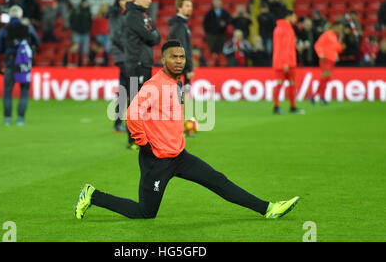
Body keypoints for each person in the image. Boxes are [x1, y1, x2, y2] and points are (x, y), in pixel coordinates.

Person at [74, 40, 300, 221]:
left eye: (182, 56)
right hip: (157, 161)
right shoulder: (154, 86)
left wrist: (184, 125)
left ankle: (269, 209)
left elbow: (165, 116)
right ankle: (92, 195)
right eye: (174, 56)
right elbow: (132, 114)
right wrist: (144, 143)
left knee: (219, 181)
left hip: (179, 155)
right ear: (163, 60)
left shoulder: (177, 84)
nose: (179, 61)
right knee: (145, 213)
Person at [123, 0, 161, 149]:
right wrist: (151, 34)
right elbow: (149, 36)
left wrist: (152, 34)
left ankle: (142, 136)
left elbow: (157, 36)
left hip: (145, 63)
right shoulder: (132, 15)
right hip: (136, 63)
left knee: (144, 101)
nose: (149, 0)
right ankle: (132, 139)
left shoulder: (144, 14)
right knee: (134, 101)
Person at [0, 5, 40, 126]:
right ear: (21, 16)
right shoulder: (28, 28)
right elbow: (37, 41)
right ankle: (20, 118)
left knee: (8, 91)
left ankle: (7, 119)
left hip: (10, 63)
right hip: (24, 63)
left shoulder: (4, 30)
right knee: (24, 91)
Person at [109, 0, 133, 133]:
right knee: (133, 88)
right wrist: (131, 48)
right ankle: (132, 123)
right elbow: (116, 36)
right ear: (121, 1)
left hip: (126, 55)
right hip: (122, 55)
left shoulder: (126, 15)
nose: (130, 1)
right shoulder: (115, 15)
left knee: (124, 89)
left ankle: (118, 123)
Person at [272, 10, 304, 115]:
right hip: (287, 63)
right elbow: (285, 47)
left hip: (278, 61)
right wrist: (285, 62)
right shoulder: (287, 29)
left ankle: (277, 107)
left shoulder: (277, 28)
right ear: (288, 17)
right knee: (290, 84)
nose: (295, 19)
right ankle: (291, 107)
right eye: (294, 17)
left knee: (281, 84)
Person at [310, 21, 343, 105]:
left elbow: (338, 49)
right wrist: (321, 54)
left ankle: (316, 96)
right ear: (334, 27)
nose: (340, 30)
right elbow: (318, 45)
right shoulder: (327, 34)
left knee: (326, 78)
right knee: (325, 77)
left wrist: (340, 46)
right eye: (339, 28)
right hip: (325, 59)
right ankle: (319, 97)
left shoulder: (337, 37)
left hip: (332, 59)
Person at [168, 0, 194, 95]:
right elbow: (181, 48)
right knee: (182, 96)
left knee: (180, 96)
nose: (190, 8)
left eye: (191, 6)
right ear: (179, 8)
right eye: (187, 6)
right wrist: (189, 68)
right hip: (181, 67)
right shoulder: (180, 25)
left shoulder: (181, 24)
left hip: (178, 65)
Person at [203, 0, 230, 65]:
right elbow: (205, 23)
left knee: (221, 51)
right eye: (215, 2)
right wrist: (209, 31)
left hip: (221, 34)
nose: (217, 4)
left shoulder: (225, 12)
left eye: (218, 2)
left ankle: (221, 64)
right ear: (213, 4)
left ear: (221, 3)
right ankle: (212, 64)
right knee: (212, 50)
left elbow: (228, 20)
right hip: (211, 35)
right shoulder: (209, 13)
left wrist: (225, 23)